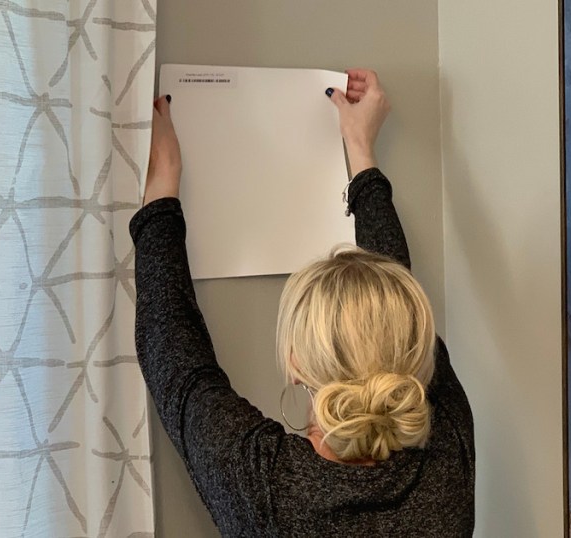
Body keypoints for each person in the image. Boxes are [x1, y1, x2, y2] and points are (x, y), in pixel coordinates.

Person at [130, 69, 475, 536]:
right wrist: (362, 153)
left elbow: (178, 363)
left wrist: (161, 185)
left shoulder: (270, 492)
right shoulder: (446, 462)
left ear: (295, 364)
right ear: (415, 348)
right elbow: (393, 298)